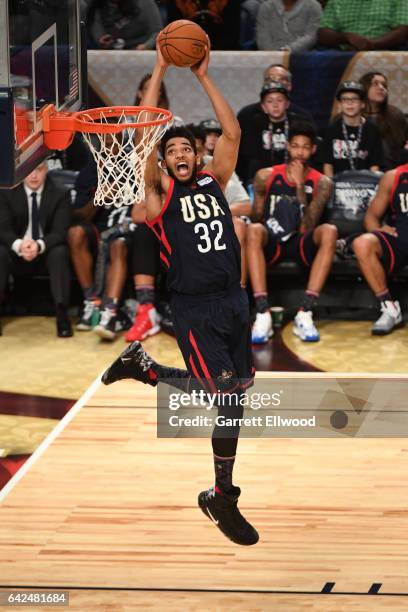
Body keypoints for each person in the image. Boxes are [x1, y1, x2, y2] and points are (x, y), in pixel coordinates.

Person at [102, 40, 259, 546]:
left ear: (198, 154)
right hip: (195, 309)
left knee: (236, 394)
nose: (180, 154)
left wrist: (203, 75)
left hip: (235, 301)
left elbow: (232, 131)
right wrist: (159, 66)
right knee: (227, 402)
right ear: (165, 163)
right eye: (172, 151)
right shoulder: (159, 195)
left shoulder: (215, 182)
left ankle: (144, 368)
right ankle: (222, 495)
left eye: (186, 147)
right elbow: (141, 143)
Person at [247, 121, 335, 343]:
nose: (300, 152)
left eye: (305, 147)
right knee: (254, 229)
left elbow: (308, 226)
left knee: (330, 231)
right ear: (287, 146)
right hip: (272, 242)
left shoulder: (322, 182)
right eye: (295, 146)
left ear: (313, 149)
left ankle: (305, 312)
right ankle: (262, 312)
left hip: (301, 243)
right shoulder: (265, 176)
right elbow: (257, 218)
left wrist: (298, 189)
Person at [0, 162, 73, 337]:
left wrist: (39, 245)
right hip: (16, 251)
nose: (34, 176)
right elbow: (3, 229)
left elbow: (60, 231)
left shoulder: (60, 192)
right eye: (29, 170)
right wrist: (19, 245)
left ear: (46, 170)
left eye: (39, 170)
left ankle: (62, 315)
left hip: (45, 251)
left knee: (60, 252)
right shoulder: (6, 191)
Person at [68, 157, 135, 341]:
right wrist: (99, 197)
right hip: (98, 227)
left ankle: (110, 313)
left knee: (118, 245)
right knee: (75, 233)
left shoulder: (137, 164)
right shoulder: (89, 171)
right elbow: (78, 216)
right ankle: (92, 302)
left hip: (128, 228)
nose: (109, 142)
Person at [351, 164, 408, 335]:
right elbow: (371, 217)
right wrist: (378, 229)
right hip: (400, 239)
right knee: (362, 243)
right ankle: (389, 307)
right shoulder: (394, 176)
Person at [237, 66, 314, 185]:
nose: (275, 82)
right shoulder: (248, 117)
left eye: (281, 79)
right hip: (259, 177)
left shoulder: (302, 118)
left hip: (294, 176)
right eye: (270, 79)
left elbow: (309, 152)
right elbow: (244, 156)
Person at [322, 81, 384, 177]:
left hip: (366, 185)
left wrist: (372, 186)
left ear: (362, 104)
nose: (349, 103)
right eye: (345, 99)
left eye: (354, 99)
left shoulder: (372, 130)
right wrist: (331, 187)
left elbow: (375, 165)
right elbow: (327, 164)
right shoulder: (331, 130)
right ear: (339, 105)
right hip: (338, 185)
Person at [359, 72, 408, 170]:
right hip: (359, 175)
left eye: (384, 85)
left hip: (392, 173)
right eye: (375, 83)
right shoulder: (352, 116)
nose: (381, 88)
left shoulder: (395, 115)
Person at [318, 0, 408, 50]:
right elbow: (324, 33)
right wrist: (346, 38)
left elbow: (401, 31)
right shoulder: (337, 2)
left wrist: (371, 44)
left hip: (384, 51)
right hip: (343, 52)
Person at [84, 0, 163, 50]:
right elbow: (97, 31)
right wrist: (101, 40)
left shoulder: (144, 2)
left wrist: (146, 46)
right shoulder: (98, 4)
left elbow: (157, 32)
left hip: (140, 49)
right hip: (112, 52)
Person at [256, 0, 323, 52]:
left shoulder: (314, 6)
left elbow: (311, 36)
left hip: (301, 57)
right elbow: (263, 38)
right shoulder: (266, 7)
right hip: (269, 57)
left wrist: (288, 50)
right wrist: (274, 55)